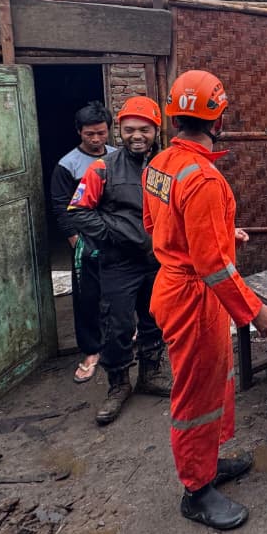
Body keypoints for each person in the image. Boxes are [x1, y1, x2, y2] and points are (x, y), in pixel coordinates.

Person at [142, 70, 267, 531]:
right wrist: (255, 311)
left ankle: (208, 461)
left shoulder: (161, 163)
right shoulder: (203, 178)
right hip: (193, 297)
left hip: (176, 284)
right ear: (217, 116)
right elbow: (213, 267)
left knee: (213, 380)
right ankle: (196, 491)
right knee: (196, 392)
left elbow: (157, 226)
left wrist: (222, 235)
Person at [67, 96, 172, 425]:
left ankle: (150, 375)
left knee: (155, 318)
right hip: (118, 264)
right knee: (118, 325)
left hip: (157, 261)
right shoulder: (103, 168)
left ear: (157, 130)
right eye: (129, 130)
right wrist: (114, 234)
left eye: (144, 129)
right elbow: (78, 213)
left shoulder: (167, 166)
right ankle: (118, 385)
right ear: (119, 132)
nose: (136, 136)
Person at [50, 101, 116, 384]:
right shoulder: (68, 165)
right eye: (90, 134)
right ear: (79, 132)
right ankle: (91, 351)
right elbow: (60, 204)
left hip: (115, 235)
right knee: (87, 295)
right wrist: (75, 239)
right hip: (85, 239)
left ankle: (120, 341)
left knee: (119, 290)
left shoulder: (117, 157)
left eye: (101, 133)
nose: (96, 139)